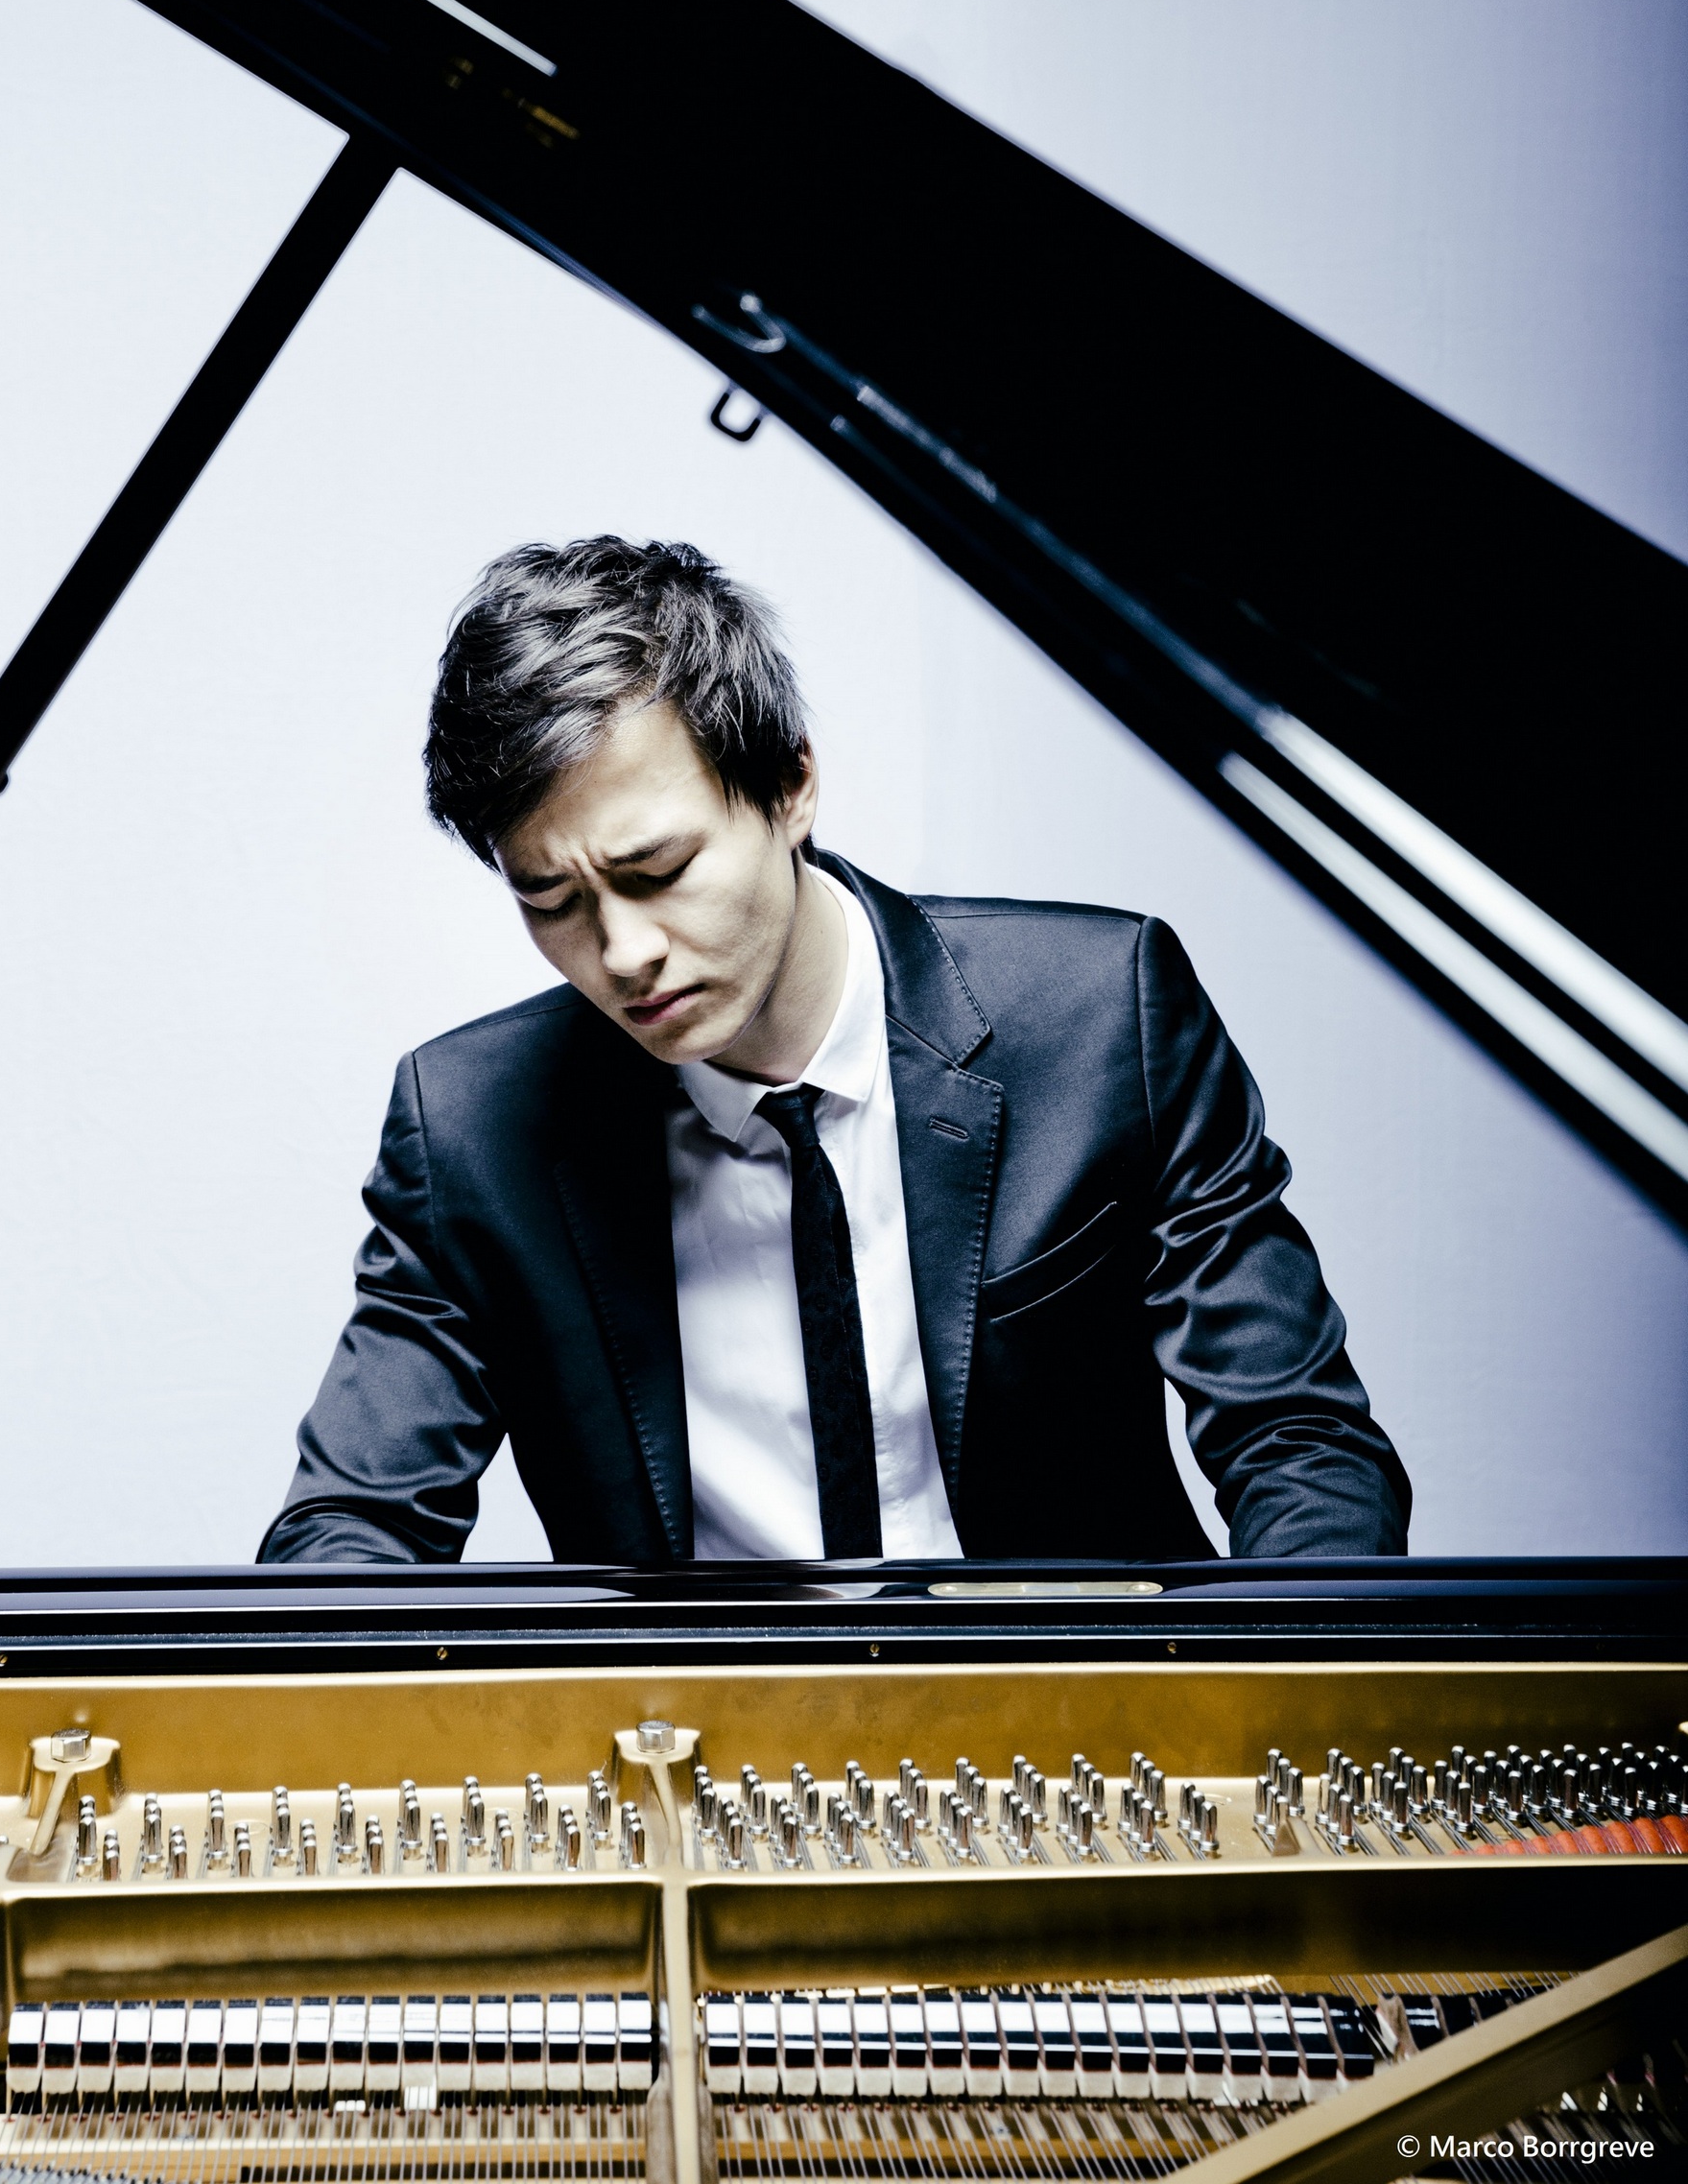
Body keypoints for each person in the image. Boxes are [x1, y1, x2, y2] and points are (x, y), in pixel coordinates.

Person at [259, 536, 1410, 1566]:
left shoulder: (1104, 1017)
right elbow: (350, 1528)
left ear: (790, 784)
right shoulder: (469, 1127)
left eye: (658, 871)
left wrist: (1266, 1707)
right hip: (702, 1732)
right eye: (550, 901)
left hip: (1088, 1716)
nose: (622, 953)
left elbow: (1297, 1444)